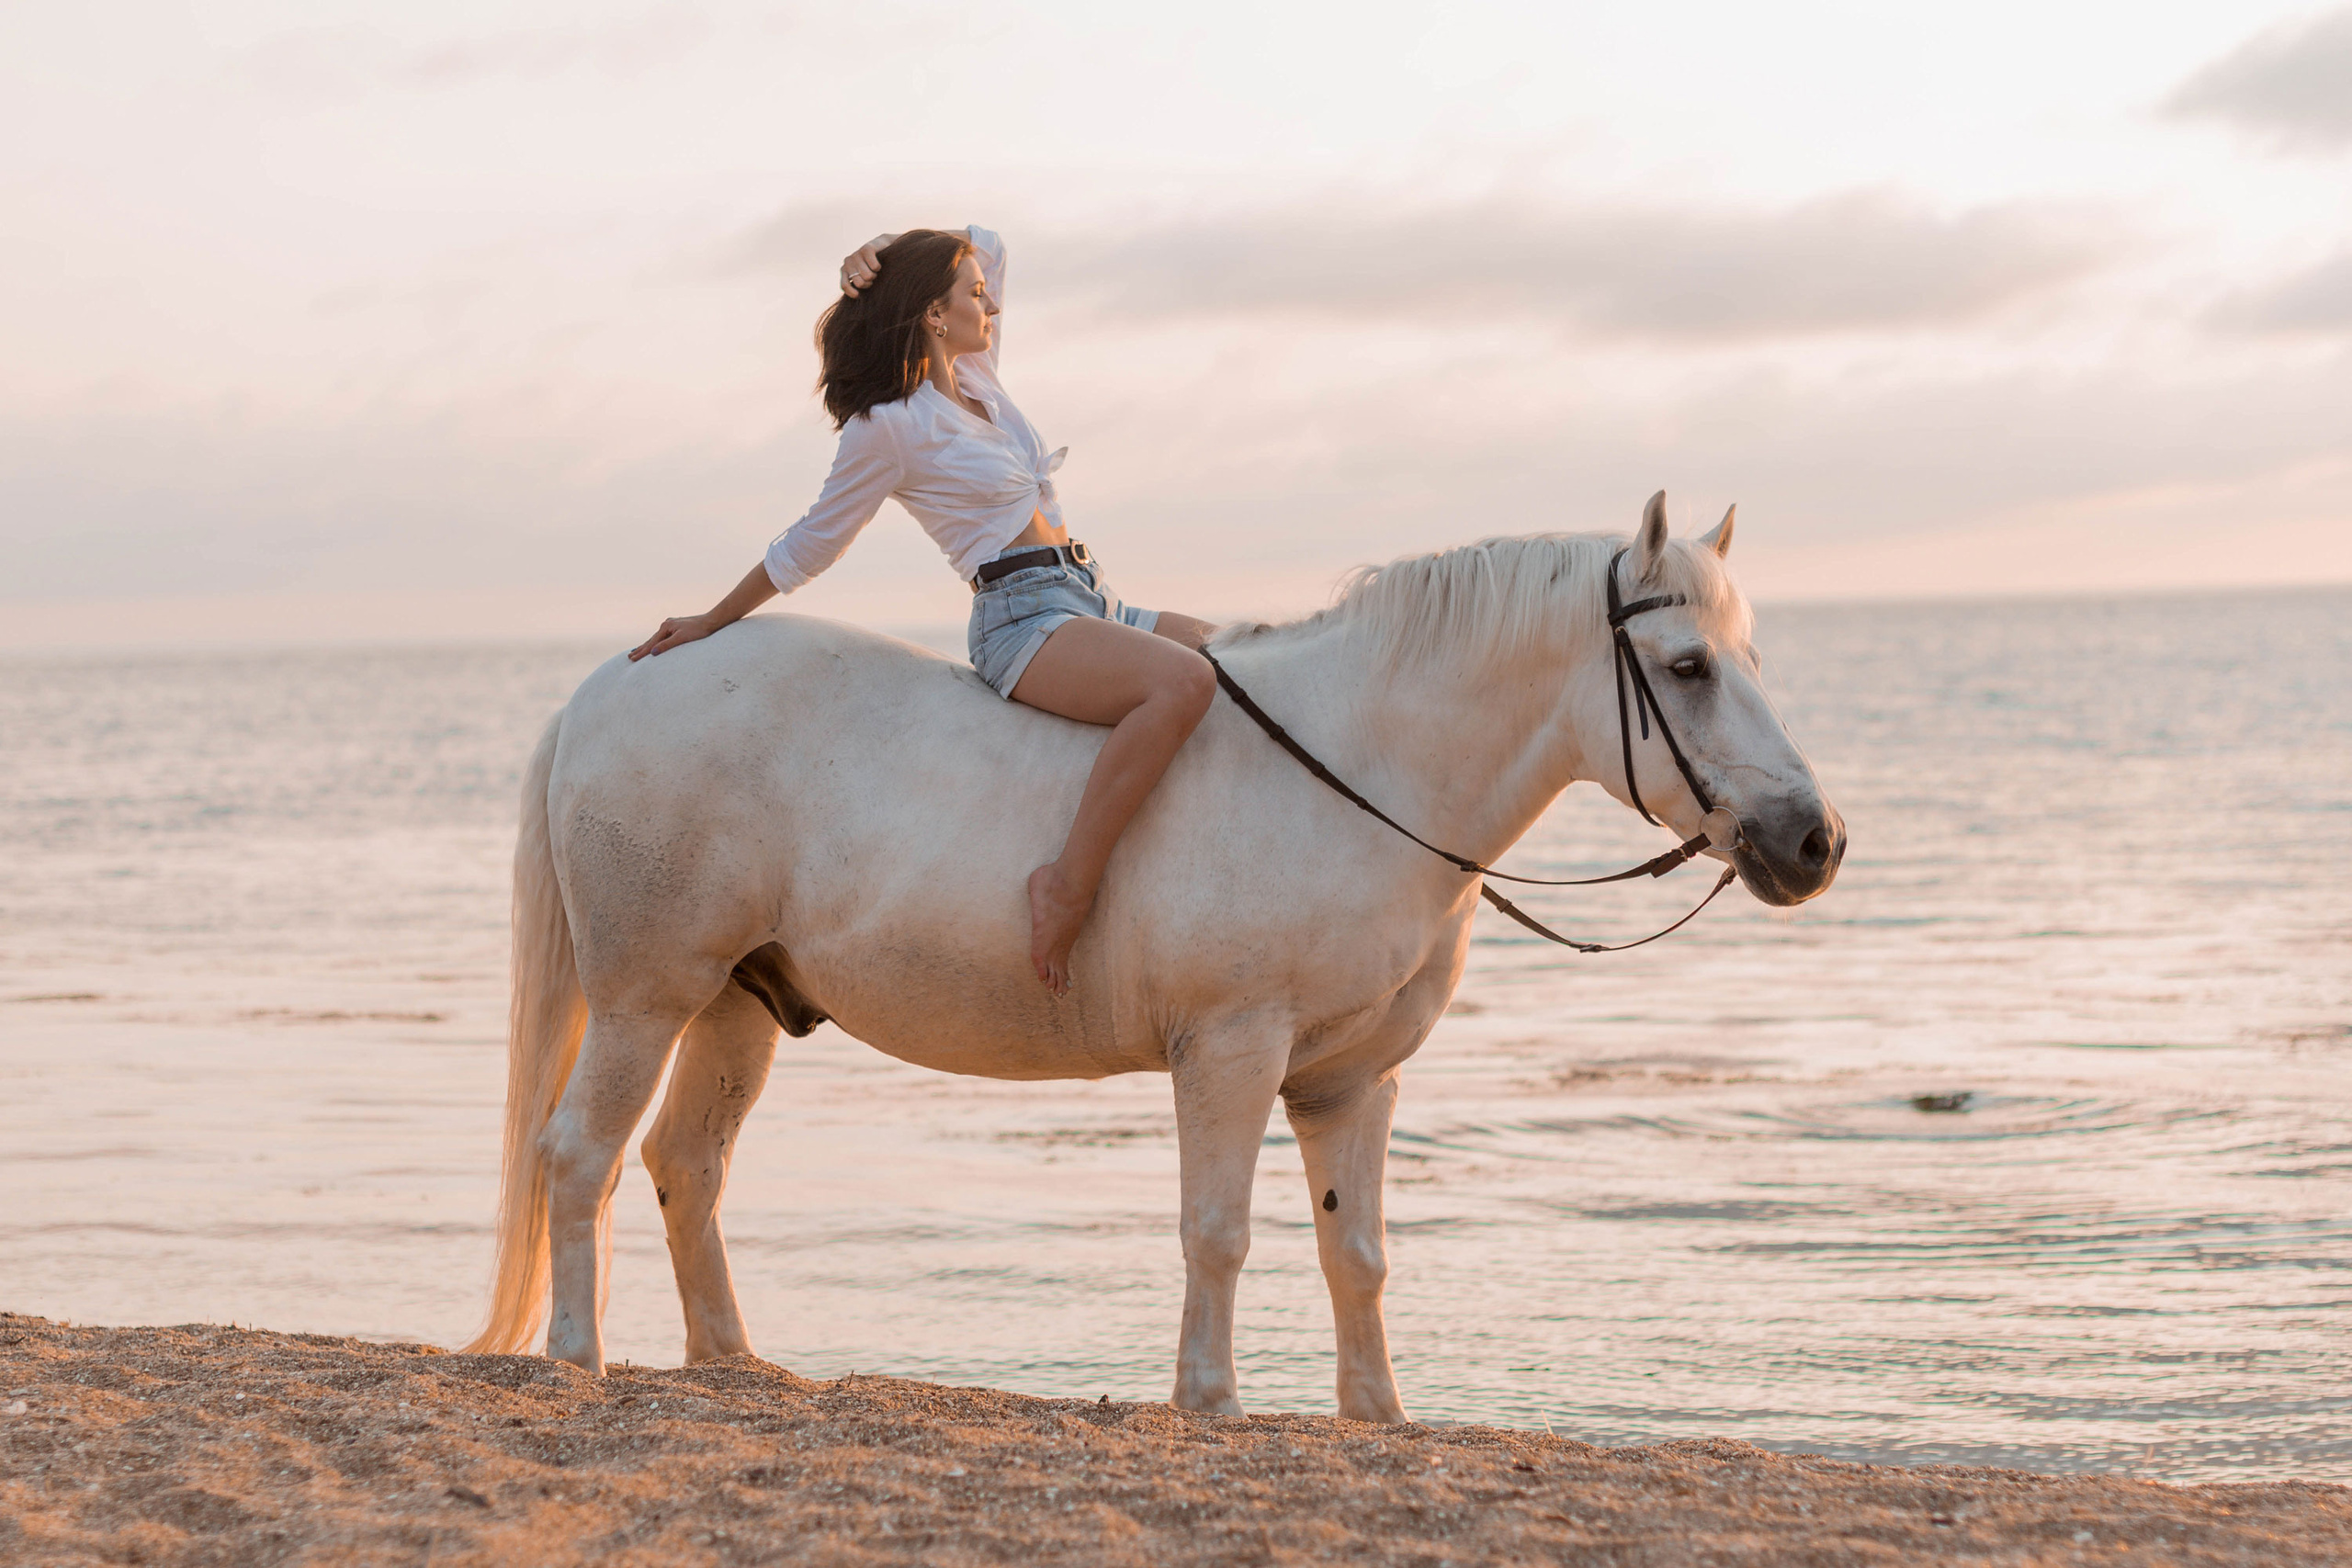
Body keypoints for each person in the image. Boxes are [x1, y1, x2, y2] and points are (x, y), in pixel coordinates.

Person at [629, 227, 1217, 996]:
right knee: (1182, 685)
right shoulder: (889, 428)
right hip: (1024, 622)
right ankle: (1067, 883)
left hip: (1088, 593)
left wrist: (879, 247)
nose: (990, 302)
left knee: (1244, 652)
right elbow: (812, 541)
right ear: (935, 316)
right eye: (974, 295)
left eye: (982, 291)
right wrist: (713, 618)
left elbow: (988, 243)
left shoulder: (978, 377)